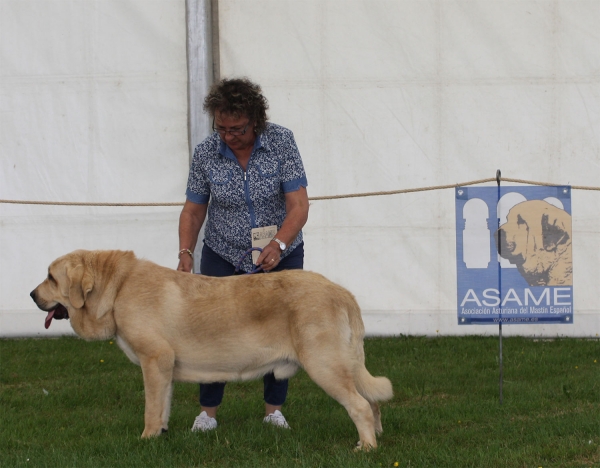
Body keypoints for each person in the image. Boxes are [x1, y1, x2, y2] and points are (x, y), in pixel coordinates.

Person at [177, 77, 309, 432]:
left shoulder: (282, 142)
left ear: (256, 120)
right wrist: (186, 251)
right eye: (221, 128)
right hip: (222, 253)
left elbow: (298, 205)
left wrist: (279, 244)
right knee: (212, 330)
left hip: (280, 252)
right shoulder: (206, 153)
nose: (228, 136)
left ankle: (273, 410)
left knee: (281, 329)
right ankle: (208, 412)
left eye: (237, 128)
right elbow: (193, 211)